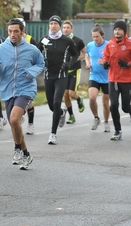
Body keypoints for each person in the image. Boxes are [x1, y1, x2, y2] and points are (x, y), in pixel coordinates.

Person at [0, 18, 44, 169]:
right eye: (10, 31)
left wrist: (31, 72)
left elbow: (41, 63)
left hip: (25, 89)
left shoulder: (31, 49)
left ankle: (16, 149)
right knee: (15, 124)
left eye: (16, 31)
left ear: (22, 32)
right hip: (7, 90)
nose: (13, 34)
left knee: (13, 119)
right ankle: (26, 154)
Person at [37, 15, 78, 145]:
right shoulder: (44, 39)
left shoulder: (66, 41)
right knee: (51, 106)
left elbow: (75, 54)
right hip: (48, 76)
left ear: (59, 25)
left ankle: (53, 134)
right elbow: (36, 53)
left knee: (56, 102)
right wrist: (39, 62)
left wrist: (69, 64)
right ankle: (62, 112)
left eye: (55, 23)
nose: (53, 26)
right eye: (51, 23)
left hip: (61, 76)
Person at [102, 20, 131, 141]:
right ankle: (118, 131)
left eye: (119, 29)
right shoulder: (109, 44)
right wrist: (105, 63)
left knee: (125, 107)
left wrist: (128, 64)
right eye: (115, 29)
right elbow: (105, 56)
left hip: (127, 80)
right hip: (113, 79)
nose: (117, 31)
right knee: (113, 105)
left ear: (124, 31)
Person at [85, 24, 111, 132]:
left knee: (105, 103)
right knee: (92, 98)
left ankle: (106, 122)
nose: (95, 39)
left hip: (107, 77)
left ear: (102, 36)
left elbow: (113, 59)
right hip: (94, 75)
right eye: (93, 37)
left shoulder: (109, 45)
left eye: (97, 36)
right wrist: (87, 63)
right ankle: (96, 118)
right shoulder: (90, 45)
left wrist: (105, 62)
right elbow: (87, 55)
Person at [62, 20, 86, 125]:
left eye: (68, 27)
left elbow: (85, 52)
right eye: (64, 27)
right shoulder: (61, 40)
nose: (66, 29)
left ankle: (79, 99)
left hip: (75, 70)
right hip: (65, 71)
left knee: (71, 93)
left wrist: (77, 59)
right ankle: (71, 115)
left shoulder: (78, 41)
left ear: (72, 29)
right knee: (65, 95)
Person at [17, 17, 38, 135]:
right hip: (15, 75)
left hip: (28, 75)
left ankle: (30, 124)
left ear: (23, 28)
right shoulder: (10, 40)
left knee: (28, 102)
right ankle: (19, 115)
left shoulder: (30, 40)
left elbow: (38, 56)